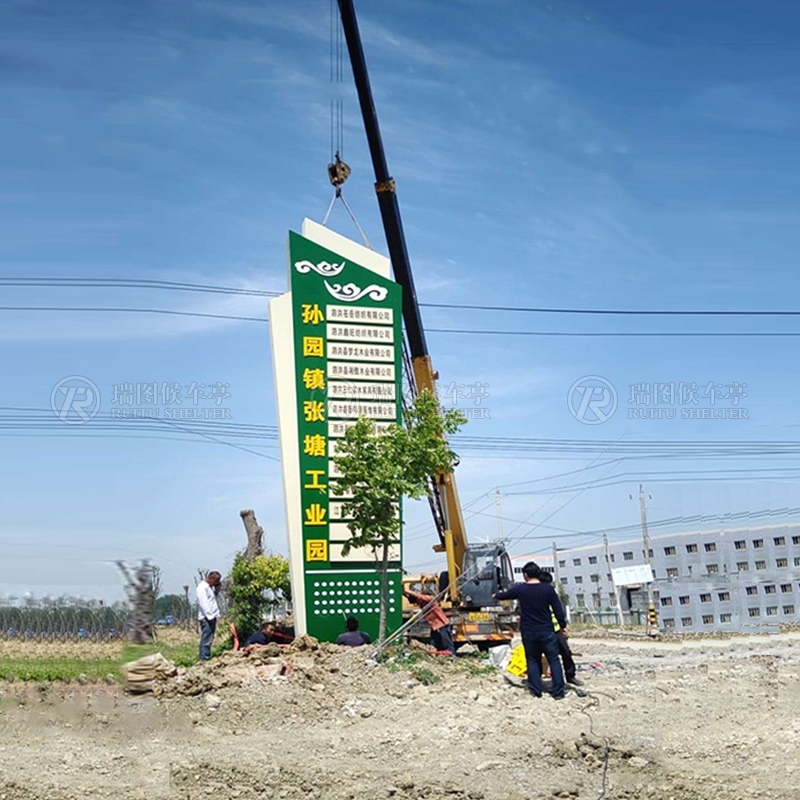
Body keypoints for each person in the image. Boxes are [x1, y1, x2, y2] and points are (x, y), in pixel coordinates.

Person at [494, 561, 567, 699]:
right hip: (546, 630)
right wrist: (562, 626)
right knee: (554, 660)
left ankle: (536, 690)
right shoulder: (548, 589)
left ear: (525, 575)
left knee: (532, 659)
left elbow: (505, 595)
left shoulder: (521, 589)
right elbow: (558, 609)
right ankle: (558, 692)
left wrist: (496, 595)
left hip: (528, 631)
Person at [538, 571, 583, 687]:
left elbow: (559, 611)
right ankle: (539, 679)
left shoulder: (552, 594)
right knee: (542, 656)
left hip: (556, 629)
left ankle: (570, 676)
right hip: (544, 630)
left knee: (565, 652)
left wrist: (563, 626)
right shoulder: (536, 595)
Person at [403, 589, 456, 655]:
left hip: (441, 625)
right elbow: (414, 600)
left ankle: (450, 655)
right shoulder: (424, 604)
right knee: (434, 645)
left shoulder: (431, 599)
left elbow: (420, 597)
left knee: (448, 647)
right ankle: (438, 654)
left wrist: (406, 590)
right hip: (435, 626)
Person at [196, 571, 221, 661]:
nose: (216, 583)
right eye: (216, 581)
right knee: (206, 640)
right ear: (211, 579)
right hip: (207, 618)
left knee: (209, 639)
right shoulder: (202, 588)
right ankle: (203, 658)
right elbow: (204, 604)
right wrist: (210, 617)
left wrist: (217, 590)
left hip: (211, 617)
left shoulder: (209, 588)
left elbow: (212, 600)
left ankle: (206, 656)